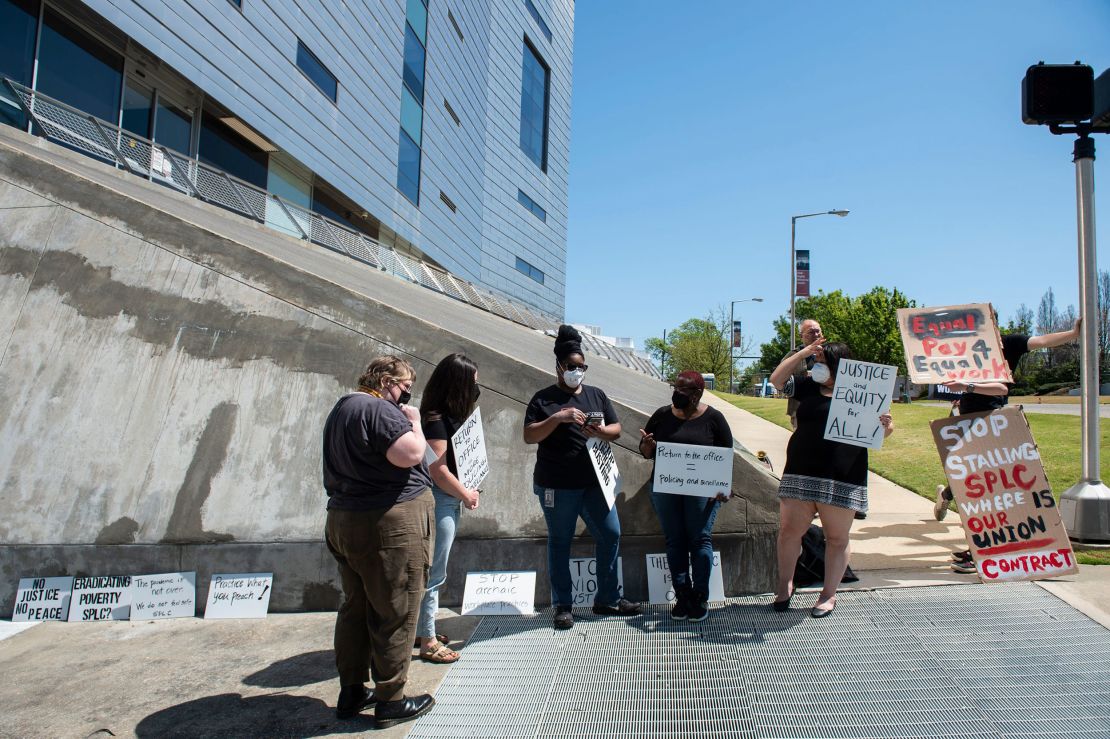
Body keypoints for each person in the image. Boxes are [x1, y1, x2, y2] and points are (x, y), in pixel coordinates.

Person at [322, 355, 436, 726]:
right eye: (405, 387)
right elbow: (411, 453)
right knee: (395, 610)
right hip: (386, 524)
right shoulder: (380, 409)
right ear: (387, 380)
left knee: (355, 607)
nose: (406, 396)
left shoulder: (342, 408)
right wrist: (415, 424)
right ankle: (391, 698)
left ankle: (352, 689)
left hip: (344, 518)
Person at [933, 319, 1081, 572]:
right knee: (974, 481)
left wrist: (1074, 333)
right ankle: (968, 529)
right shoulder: (968, 349)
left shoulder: (1010, 344)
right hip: (967, 419)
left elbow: (1042, 342)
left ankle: (979, 548)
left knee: (990, 488)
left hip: (994, 421)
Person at [524, 325, 641, 629]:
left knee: (611, 533)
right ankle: (563, 604)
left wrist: (600, 431)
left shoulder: (596, 395)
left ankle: (608, 599)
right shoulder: (543, 399)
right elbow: (529, 435)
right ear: (559, 367)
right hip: (557, 486)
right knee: (560, 541)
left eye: (581, 367)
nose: (577, 371)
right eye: (571, 367)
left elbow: (616, 430)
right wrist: (558, 418)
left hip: (594, 485)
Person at [769, 342, 894, 617]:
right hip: (800, 471)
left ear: (839, 363)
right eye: (814, 359)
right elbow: (776, 381)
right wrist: (802, 353)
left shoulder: (865, 393)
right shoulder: (807, 386)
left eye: (821, 359)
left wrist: (886, 426)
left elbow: (881, 433)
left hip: (842, 475)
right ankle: (784, 587)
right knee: (789, 533)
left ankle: (828, 595)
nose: (816, 363)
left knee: (836, 537)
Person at [639, 371, 733, 622]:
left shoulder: (714, 418)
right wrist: (647, 447)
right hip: (666, 489)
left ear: (698, 394)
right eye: (675, 387)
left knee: (700, 539)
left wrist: (724, 486)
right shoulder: (661, 415)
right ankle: (683, 595)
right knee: (674, 540)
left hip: (702, 492)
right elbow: (647, 451)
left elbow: (726, 455)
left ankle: (700, 596)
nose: (676, 392)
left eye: (683, 389)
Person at [415, 353, 482, 663]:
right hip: (440, 500)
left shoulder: (447, 417)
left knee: (434, 569)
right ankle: (428, 641)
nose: (477, 389)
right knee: (435, 572)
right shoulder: (435, 421)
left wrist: (471, 485)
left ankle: (422, 629)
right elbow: (438, 470)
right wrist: (466, 494)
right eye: (473, 384)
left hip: (449, 498)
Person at [783, 319, 824, 430]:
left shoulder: (829, 352)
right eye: (811, 332)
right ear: (801, 335)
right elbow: (780, 378)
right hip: (800, 409)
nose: (815, 335)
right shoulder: (793, 355)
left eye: (818, 331)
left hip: (825, 407)